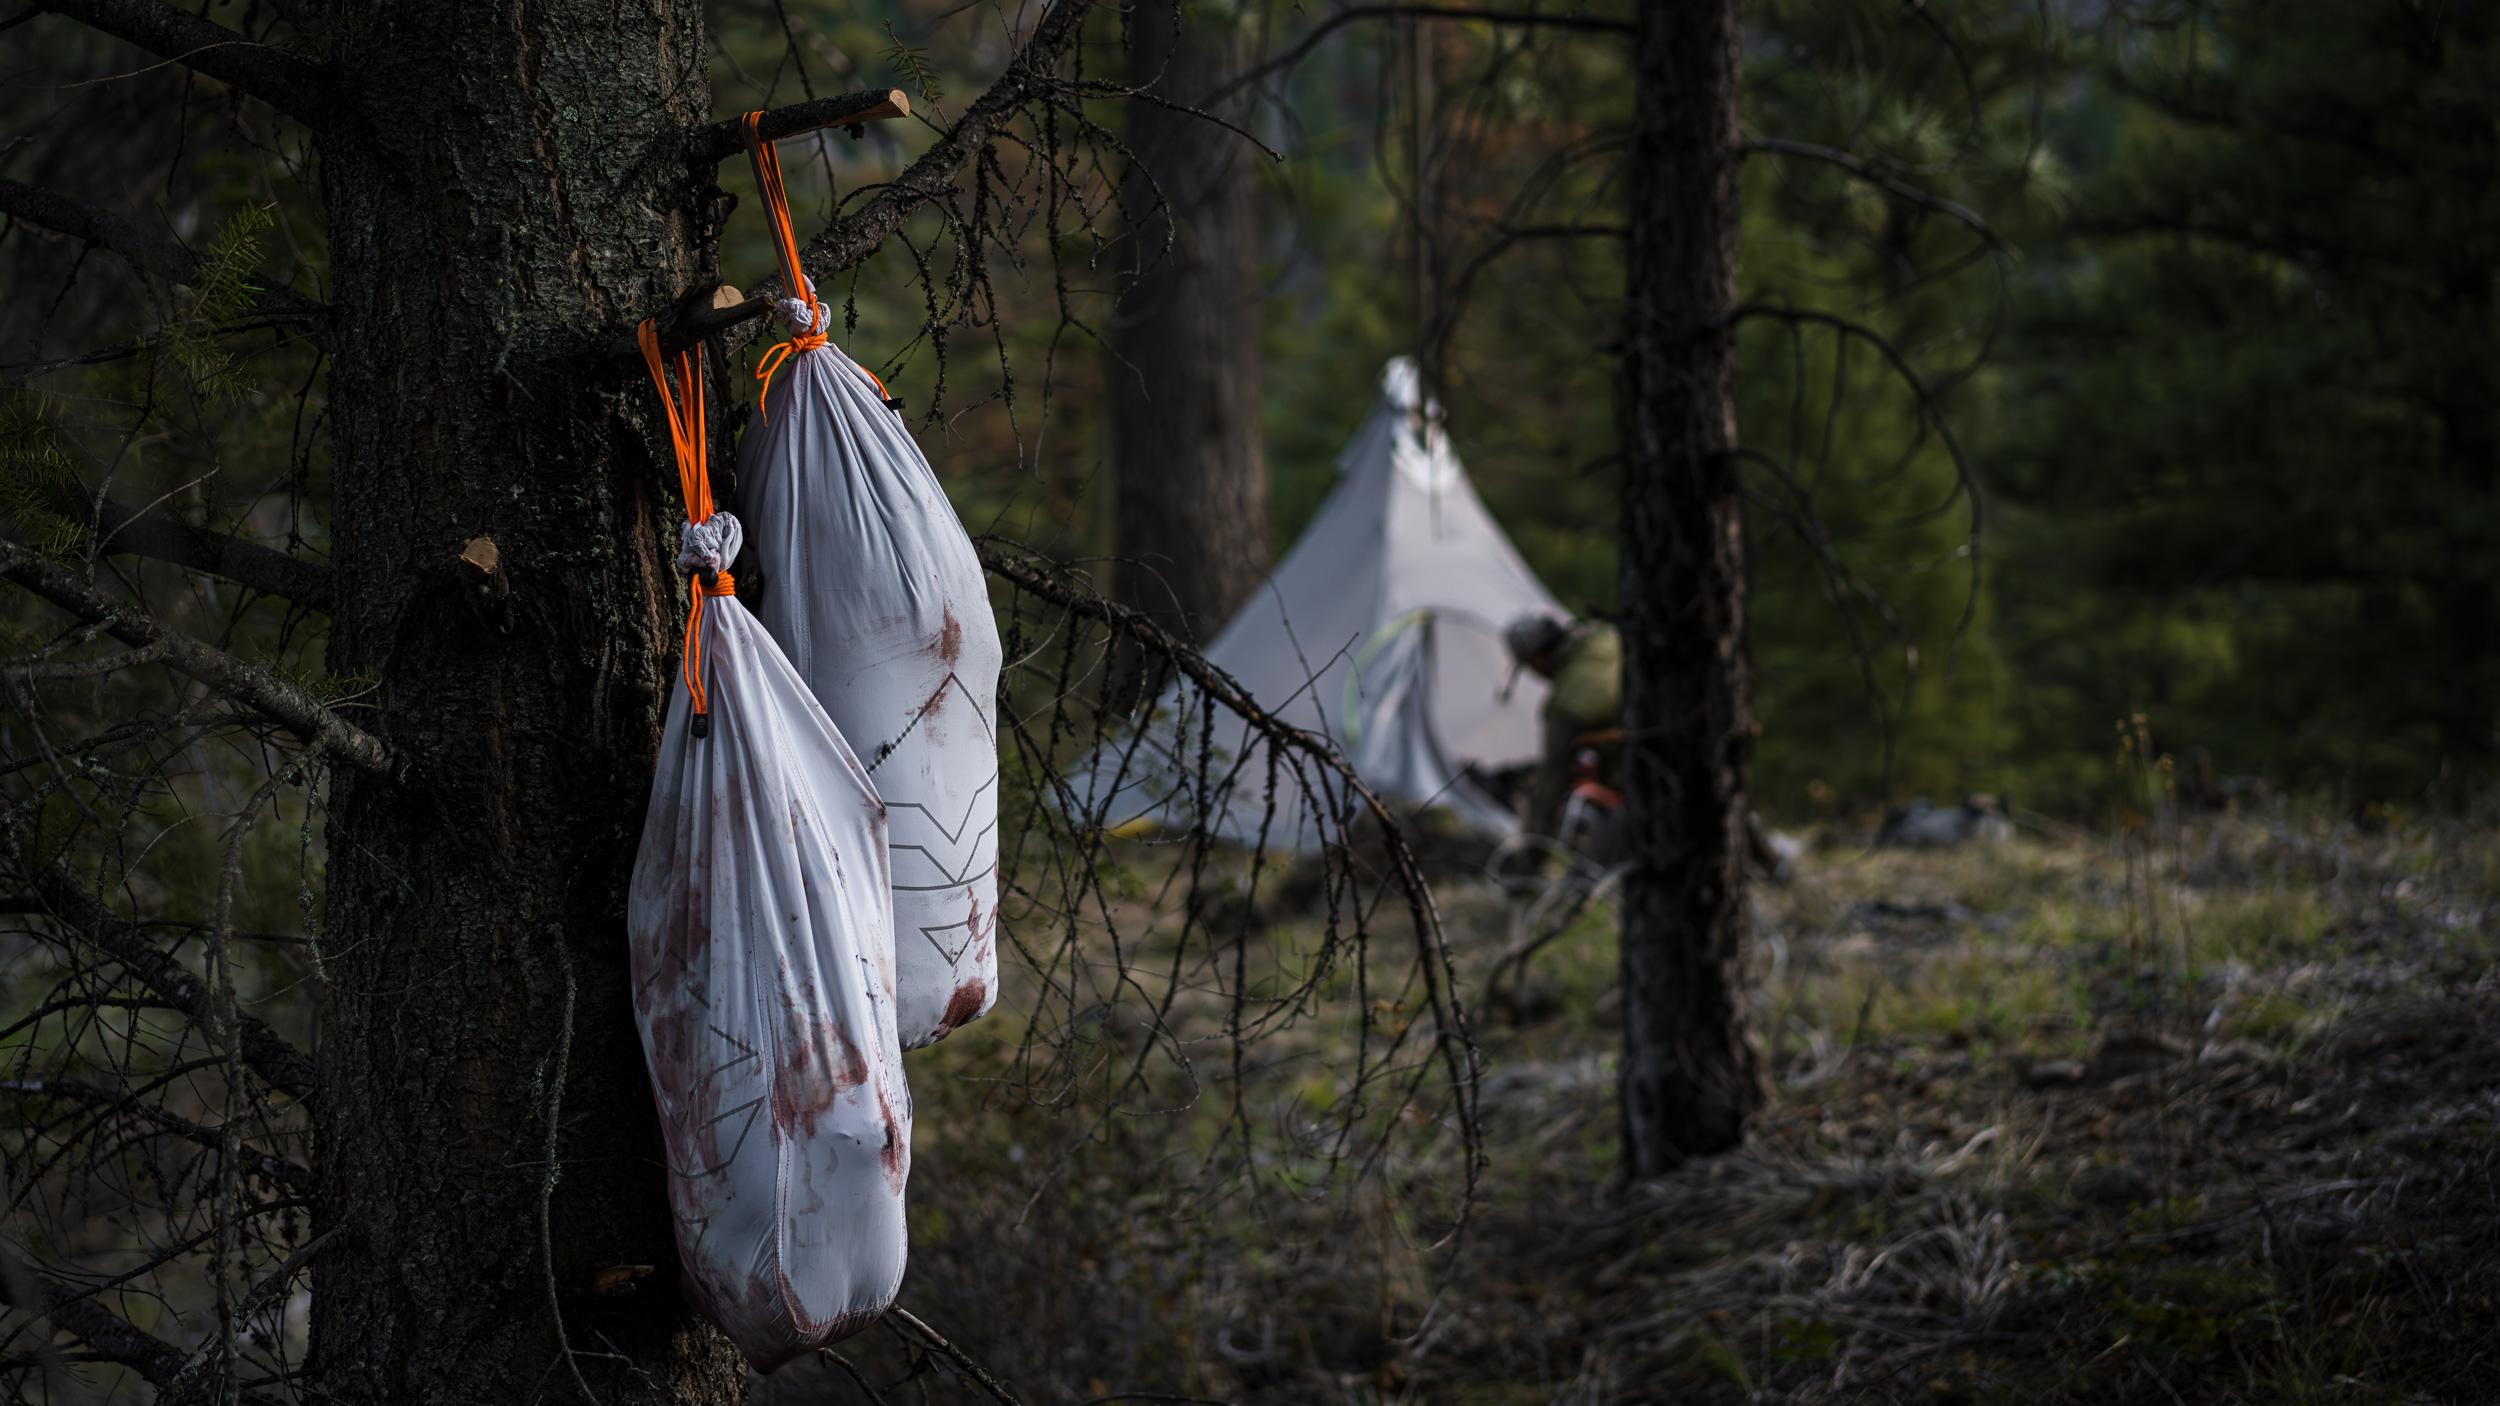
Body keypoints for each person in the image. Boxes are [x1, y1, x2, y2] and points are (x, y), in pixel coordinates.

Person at [1503, 612, 1623, 845]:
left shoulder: (1566, 705)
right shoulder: (1607, 637)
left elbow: (1550, 785)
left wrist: (1529, 854)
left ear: (1537, 658)